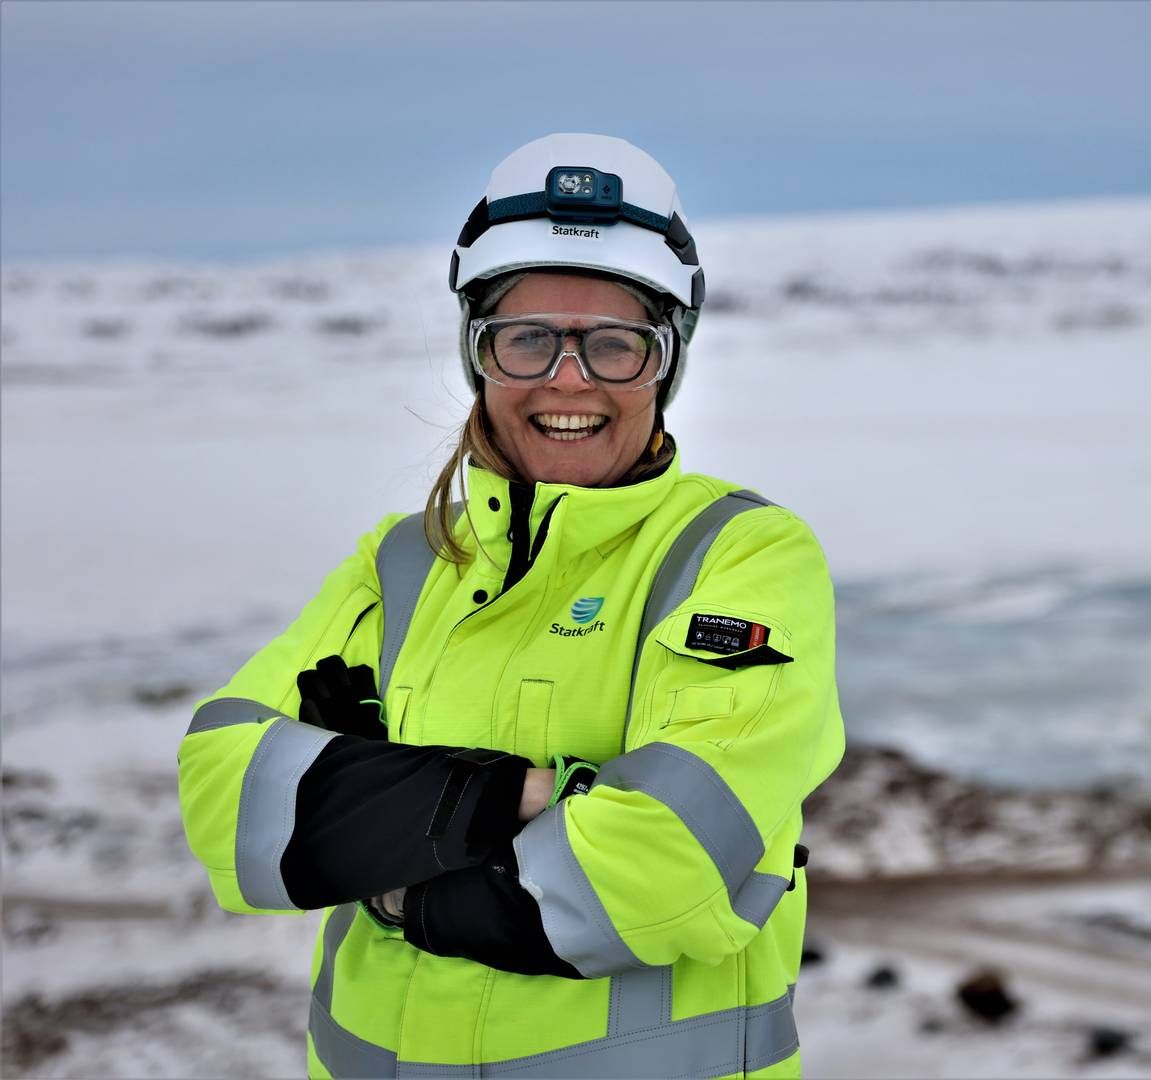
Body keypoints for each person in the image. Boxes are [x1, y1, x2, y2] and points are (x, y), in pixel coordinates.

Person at [177, 133, 845, 1078]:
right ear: (478, 355)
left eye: (615, 345)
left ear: (667, 364)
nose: (567, 380)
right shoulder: (404, 560)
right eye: (526, 339)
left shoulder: (735, 557)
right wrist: (518, 796)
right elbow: (227, 791)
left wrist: (390, 870)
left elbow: (665, 862)